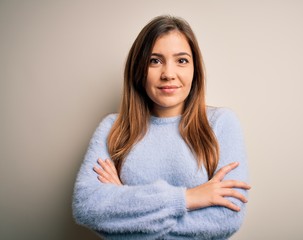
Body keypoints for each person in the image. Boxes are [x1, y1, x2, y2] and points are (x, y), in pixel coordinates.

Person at [72, 15, 251, 239]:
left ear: (195, 70)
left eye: (182, 60)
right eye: (155, 60)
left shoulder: (221, 124)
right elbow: (87, 207)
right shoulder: (113, 128)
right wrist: (188, 199)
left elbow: (227, 218)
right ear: (139, 69)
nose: (168, 74)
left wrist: (123, 205)